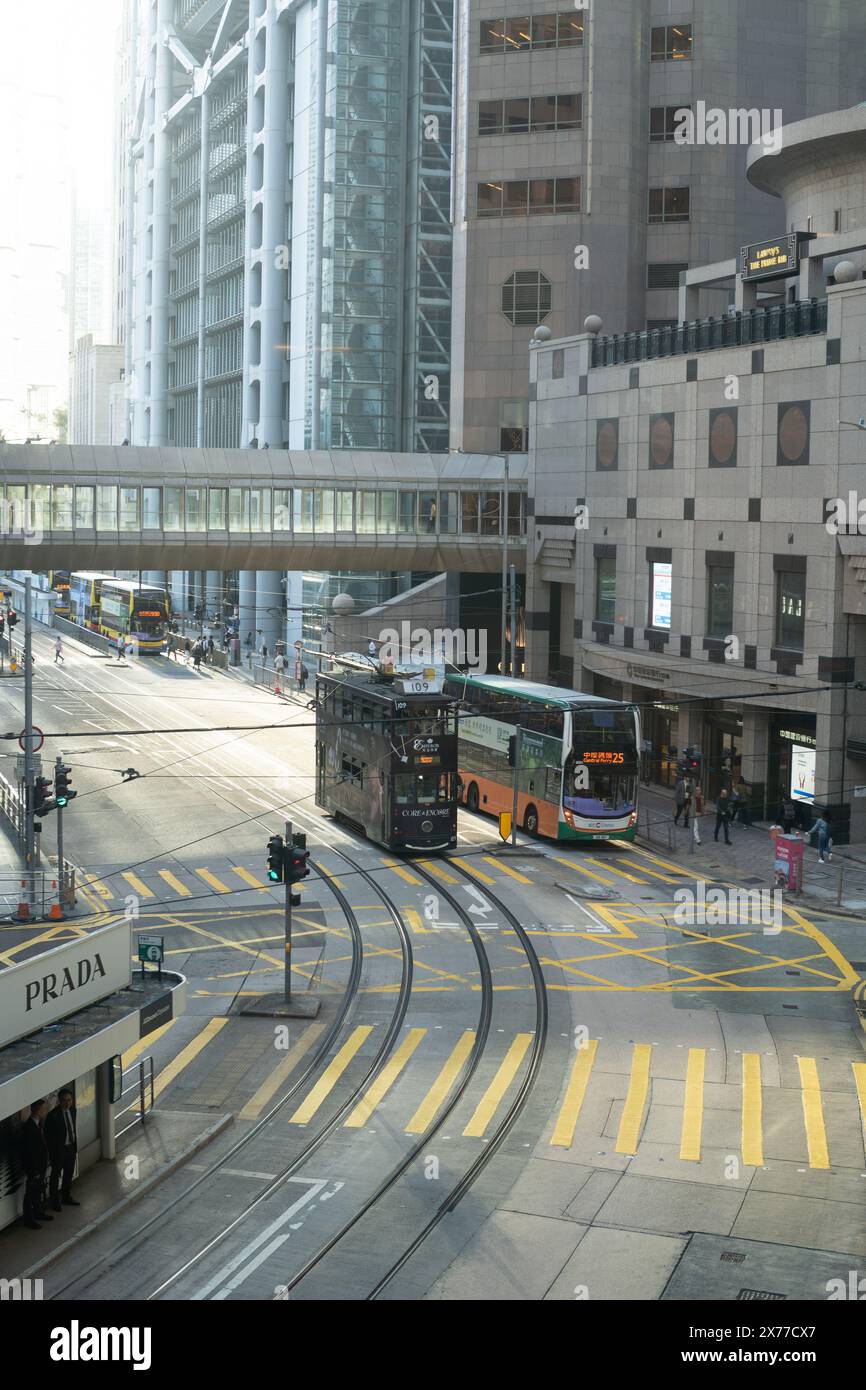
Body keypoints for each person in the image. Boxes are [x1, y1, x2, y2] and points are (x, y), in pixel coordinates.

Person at [20, 1098, 52, 1230]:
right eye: (44, 1109)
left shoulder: (38, 1124)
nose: (46, 1111)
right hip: (35, 1168)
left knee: (38, 1191)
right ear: (38, 1110)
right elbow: (30, 1152)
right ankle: (29, 1219)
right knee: (30, 1193)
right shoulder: (29, 1128)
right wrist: (35, 1171)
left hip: (41, 1166)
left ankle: (38, 1212)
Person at [45, 1089, 79, 1211]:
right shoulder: (53, 1115)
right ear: (59, 1101)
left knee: (68, 1174)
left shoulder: (73, 1111)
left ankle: (66, 1197)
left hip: (70, 1148)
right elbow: (48, 1137)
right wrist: (53, 1153)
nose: (67, 1103)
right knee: (55, 1176)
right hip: (59, 1151)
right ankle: (55, 1202)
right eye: (64, 1100)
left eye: (69, 1100)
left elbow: (73, 1129)